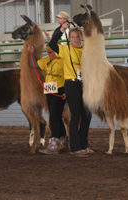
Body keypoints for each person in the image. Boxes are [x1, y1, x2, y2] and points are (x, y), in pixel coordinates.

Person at [49, 22, 93, 156]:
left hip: (85, 84)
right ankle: (75, 147)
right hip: (72, 84)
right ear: (70, 38)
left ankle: (83, 145)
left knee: (87, 115)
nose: (75, 39)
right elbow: (51, 44)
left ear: (81, 38)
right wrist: (61, 29)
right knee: (76, 114)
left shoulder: (86, 50)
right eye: (72, 37)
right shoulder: (65, 49)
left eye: (78, 37)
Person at [31, 44, 67, 154]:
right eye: (47, 52)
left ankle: (54, 144)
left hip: (59, 91)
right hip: (49, 91)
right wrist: (32, 53)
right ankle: (63, 140)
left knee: (54, 117)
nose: (49, 54)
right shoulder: (47, 60)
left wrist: (66, 91)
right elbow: (34, 64)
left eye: (51, 52)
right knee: (55, 116)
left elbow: (69, 75)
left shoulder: (63, 61)